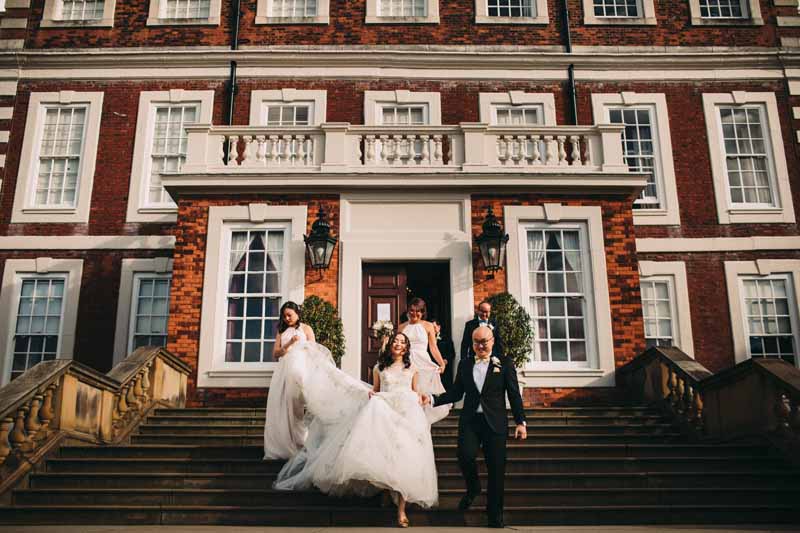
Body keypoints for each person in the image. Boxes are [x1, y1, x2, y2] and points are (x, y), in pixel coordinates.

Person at [275, 332, 438, 527]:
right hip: (384, 414)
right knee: (386, 457)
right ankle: (387, 490)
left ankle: (401, 510)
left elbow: (415, 392)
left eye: (402, 342)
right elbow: (376, 391)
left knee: (404, 459)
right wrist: (372, 395)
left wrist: (424, 398)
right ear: (391, 345)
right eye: (396, 341)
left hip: (406, 415)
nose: (398, 344)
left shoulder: (412, 369)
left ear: (406, 348)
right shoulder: (379, 368)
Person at [425, 325, 526, 529]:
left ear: (492, 341)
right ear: (472, 343)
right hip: (471, 421)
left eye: (484, 341)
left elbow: (514, 394)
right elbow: (456, 392)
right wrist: (432, 398)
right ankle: (473, 488)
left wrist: (520, 422)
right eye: (476, 342)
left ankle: (494, 516)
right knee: (464, 455)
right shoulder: (465, 364)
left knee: (496, 470)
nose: (480, 346)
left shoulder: (505, 363)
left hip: (495, 423)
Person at [263, 301, 326, 460]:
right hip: (284, 372)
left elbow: (314, 351)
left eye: (289, 315)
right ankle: (283, 445)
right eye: (284, 316)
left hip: (301, 370)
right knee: (283, 408)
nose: (287, 318)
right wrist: (290, 344)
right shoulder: (281, 331)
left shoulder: (306, 328)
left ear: (297, 313)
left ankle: (301, 443)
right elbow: (276, 354)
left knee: (298, 406)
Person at [398, 297, 450, 423]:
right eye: (411, 310)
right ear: (408, 311)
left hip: (423, 363)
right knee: (408, 395)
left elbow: (433, 347)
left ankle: (423, 426)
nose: (414, 314)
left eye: (418, 311)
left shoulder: (428, 326)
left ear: (422, 312)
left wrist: (441, 363)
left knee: (423, 397)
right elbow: (398, 347)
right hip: (406, 362)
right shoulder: (401, 327)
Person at [429, 317, 456, 389]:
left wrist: (445, 361)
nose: (433, 330)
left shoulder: (446, 338)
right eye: (431, 328)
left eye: (434, 327)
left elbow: (451, 353)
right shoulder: (426, 339)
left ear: (439, 327)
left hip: (444, 370)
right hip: (431, 369)